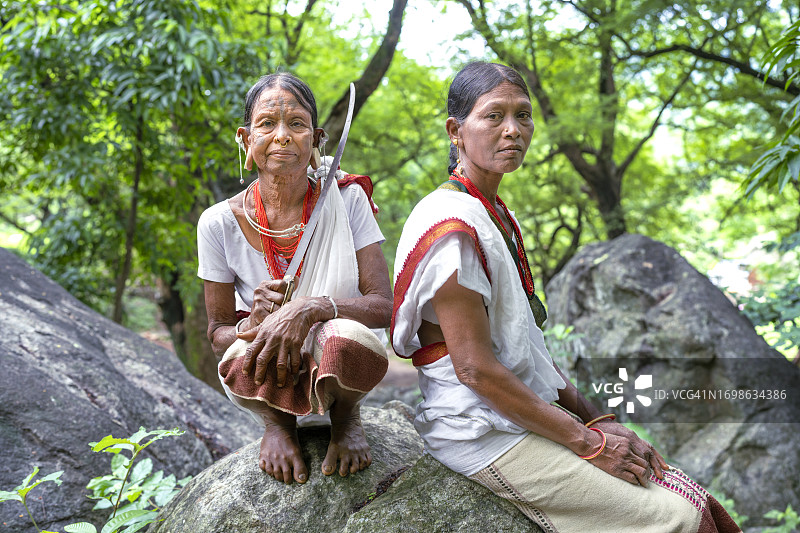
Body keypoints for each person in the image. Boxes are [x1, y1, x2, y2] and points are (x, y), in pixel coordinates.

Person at [391, 62, 741, 532]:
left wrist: (600, 420)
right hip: (478, 430)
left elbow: (526, 349)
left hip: (516, 413)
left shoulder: (493, 213)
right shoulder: (451, 226)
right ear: (456, 131)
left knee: (685, 489)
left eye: (523, 115)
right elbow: (475, 369)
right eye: (494, 116)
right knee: (679, 516)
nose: (513, 130)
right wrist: (588, 442)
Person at [198, 72, 392, 485]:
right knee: (240, 351)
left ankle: (345, 415)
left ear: (317, 139)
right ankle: (278, 423)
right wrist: (253, 323)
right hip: (270, 363)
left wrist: (311, 308)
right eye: (267, 124)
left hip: (334, 353)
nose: (282, 136)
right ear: (246, 138)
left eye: (297, 124)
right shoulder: (217, 223)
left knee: (343, 337)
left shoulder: (347, 197)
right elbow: (217, 333)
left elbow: (383, 307)